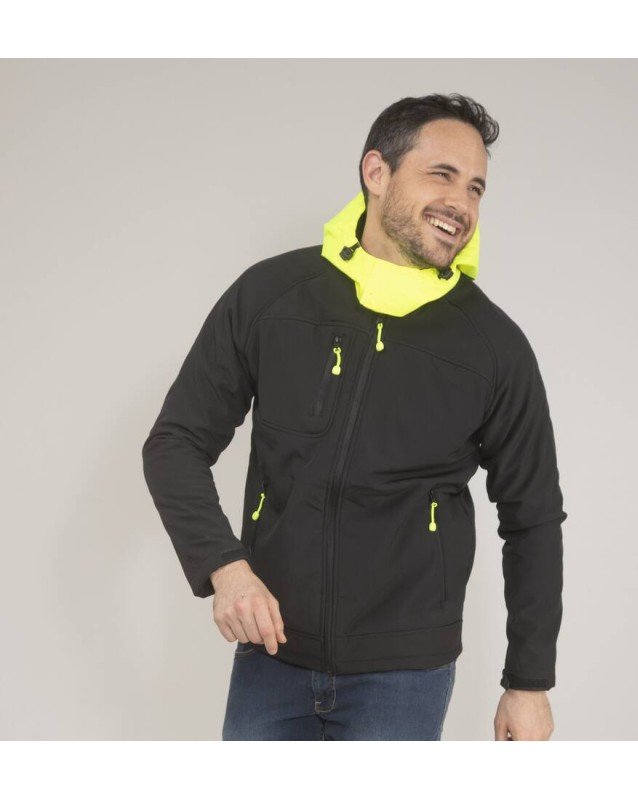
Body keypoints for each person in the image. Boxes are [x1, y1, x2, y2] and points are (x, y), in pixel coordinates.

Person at [142, 93, 567, 741]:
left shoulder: (492, 347)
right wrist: (224, 568)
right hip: (272, 653)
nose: (462, 202)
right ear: (376, 172)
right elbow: (175, 442)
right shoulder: (272, 297)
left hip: (405, 676)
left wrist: (528, 683)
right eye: (442, 175)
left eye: (476, 187)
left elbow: (532, 518)